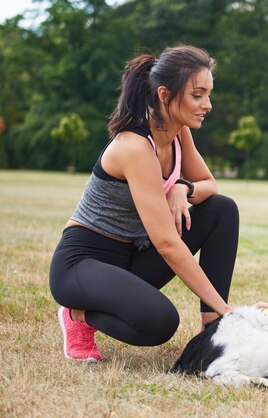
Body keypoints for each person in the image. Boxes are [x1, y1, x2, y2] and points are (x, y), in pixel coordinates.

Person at [49, 45, 246, 362]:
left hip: (134, 256)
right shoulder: (135, 146)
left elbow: (210, 186)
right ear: (166, 94)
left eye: (209, 94)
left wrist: (183, 187)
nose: (207, 105)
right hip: (83, 263)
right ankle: (77, 317)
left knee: (222, 209)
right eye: (198, 95)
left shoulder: (179, 132)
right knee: (159, 322)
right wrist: (228, 307)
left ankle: (213, 329)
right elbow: (167, 243)